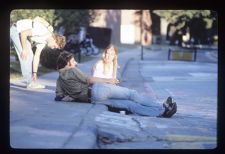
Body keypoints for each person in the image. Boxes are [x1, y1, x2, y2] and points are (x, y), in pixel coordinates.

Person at [55, 51, 177, 118]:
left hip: (93, 99)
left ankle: (161, 112)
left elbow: (59, 97)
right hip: (98, 89)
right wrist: (108, 80)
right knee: (131, 94)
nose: (75, 62)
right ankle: (163, 106)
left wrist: (73, 96)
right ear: (67, 62)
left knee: (130, 105)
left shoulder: (59, 79)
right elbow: (89, 80)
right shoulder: (72, 70)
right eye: (72, 60)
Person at [10, 16, 66, 89]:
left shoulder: (44, 41)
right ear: (55, 40)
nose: (53, 48)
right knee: (26, 55)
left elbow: (37, 56)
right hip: (16, 30)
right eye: (55, 46)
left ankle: (30, 81)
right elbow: (24, 33)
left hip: (20, 33)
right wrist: (24, 49)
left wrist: (34, 73)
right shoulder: (43, 31)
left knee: (30, 55)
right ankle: (29, 83)